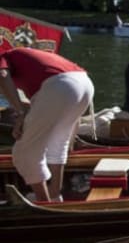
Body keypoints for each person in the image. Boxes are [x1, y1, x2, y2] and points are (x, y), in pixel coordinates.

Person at [0, 47, 94, 202]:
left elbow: (2, 75)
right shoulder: (27, 56)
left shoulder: (4, 56)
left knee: (24, 151)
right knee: (59, 144)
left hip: (60, 87)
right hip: (84, 84)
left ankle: (42, 201)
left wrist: (21, 113)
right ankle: (55, 196)